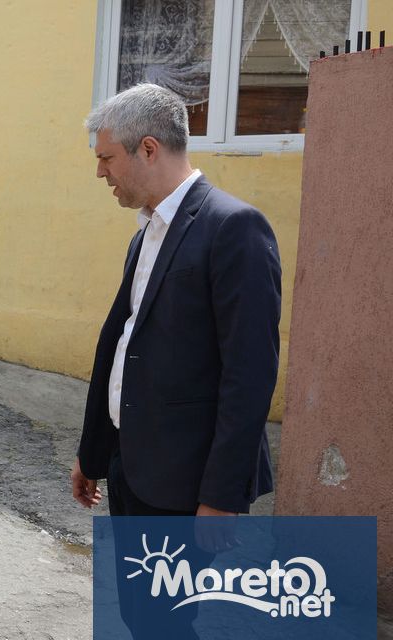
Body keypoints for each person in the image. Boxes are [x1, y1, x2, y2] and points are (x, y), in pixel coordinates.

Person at [71, 84, 281, 637]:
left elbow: (250, 374)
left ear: (147, 149)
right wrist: (94, 453)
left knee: (162, 620)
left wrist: (220, 497)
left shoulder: (233, 228)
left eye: (105, 158)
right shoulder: (148, 234)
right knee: (142, 615)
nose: (100, 174)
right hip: (134, 467)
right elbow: (123, 345)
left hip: (185, 485)